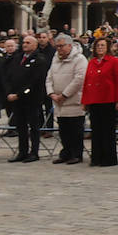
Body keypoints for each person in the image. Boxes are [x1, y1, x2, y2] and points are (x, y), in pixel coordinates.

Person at [81, 37, 118, 167]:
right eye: (98, 45)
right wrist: (85, 101)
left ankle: (108, 158)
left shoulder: (114, 61)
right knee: (96, 130)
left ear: (107, 48)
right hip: (94, 100)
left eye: (102, 45)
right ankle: (96, 157)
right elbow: (87, 82)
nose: (100, 48)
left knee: (107, 130)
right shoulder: (92, 62)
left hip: (108, 99)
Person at [4, 34, 47, 162]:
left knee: (33, 127)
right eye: (24, 43)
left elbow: (34, 81)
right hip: (16, 99)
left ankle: (34, 152)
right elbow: (9, 77)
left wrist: (19, 94)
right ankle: (22, 151)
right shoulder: (17, 58)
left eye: (28, 43)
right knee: (20, 126)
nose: (25, 45)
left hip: (31, 99)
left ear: (35, 45)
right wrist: (9, 93)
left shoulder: (39, 59)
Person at [46, 35, 88, 165]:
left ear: (70, 45)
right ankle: (66, 153)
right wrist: (51, 93)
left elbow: (79, 79)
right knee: (63, 130)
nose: (59, 49)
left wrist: (64, 95)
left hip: (73, 100)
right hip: (58, 102)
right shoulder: (55, 59)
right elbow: (49, 77)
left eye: (62, 46)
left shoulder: (80, 59)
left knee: (75, 130)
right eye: (57, 46)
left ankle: (76, 154)